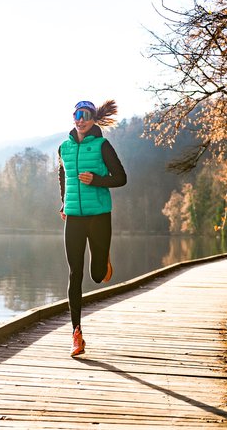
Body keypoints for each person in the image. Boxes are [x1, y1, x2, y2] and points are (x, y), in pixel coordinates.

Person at [58, 100, 127, 357]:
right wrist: (64, 203)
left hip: (99, 216)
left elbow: (121, 177)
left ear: (93, 119)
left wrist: (96, 180)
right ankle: (76, 334)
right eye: (77, 114)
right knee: (74, 274)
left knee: (97, 275)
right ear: (73, 116)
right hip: (74, 218)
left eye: (86, 115)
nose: (81, 119)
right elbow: (62, 175)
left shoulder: (102, 146)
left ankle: (103, 259)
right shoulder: (63, 147)